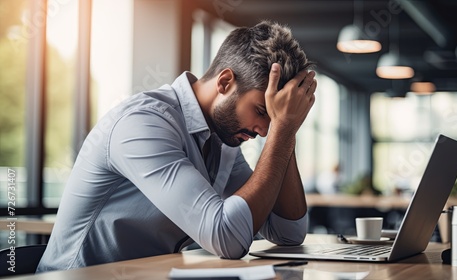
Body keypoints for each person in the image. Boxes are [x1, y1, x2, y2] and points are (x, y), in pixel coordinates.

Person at [36, 20, 317, 272]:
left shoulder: (223, 140)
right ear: (225, 82)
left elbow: (287, 233)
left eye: (274, 117)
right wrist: (282, 129)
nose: (265, 130)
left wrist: (287, 129)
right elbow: (227, 238)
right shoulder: (144, 124)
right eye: (260, 111)